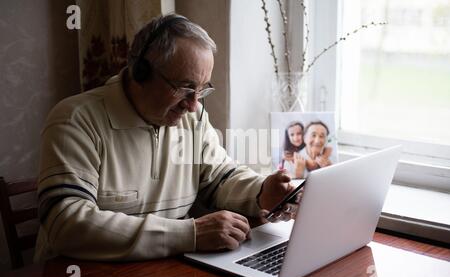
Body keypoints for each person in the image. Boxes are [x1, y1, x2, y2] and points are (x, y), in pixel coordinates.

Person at [34, 14, 299, 262]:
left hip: (160, 273)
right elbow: (65, 222)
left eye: (201, 90)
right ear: (140, 72)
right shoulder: (76, 120)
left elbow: (220, 178)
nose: (193, 105)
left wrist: (262, 192)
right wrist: (189, 234)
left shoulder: (192, 119)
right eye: (184, 88)